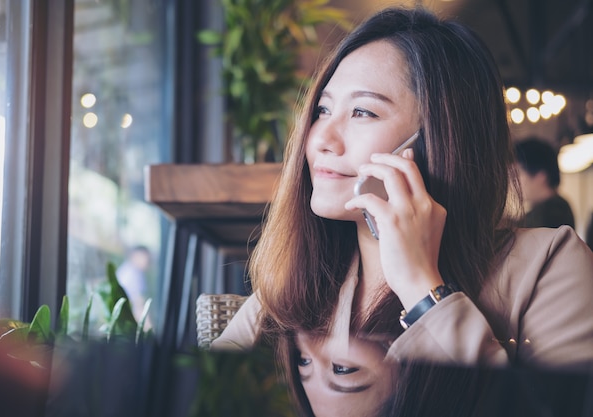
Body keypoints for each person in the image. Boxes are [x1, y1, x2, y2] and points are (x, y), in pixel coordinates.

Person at [211, 5, 593, 415]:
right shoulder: (299, 274)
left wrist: (422, 288)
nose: (322, 138)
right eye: (322, 110)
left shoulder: (551, 264)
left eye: (362, 111)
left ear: (435, 140)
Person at [514, 137, 575, 228]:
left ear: (541, 176)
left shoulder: (555, 211)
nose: (515, 182)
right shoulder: (554, 207)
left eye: (518, 173)